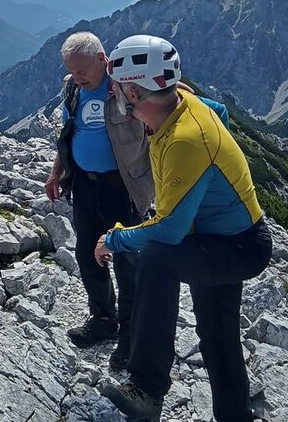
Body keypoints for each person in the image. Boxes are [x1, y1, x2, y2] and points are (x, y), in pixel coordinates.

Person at [97, 35, 272, 422]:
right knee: (218, 337)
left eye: (118, 86)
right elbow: (220, 111)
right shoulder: (184, 105)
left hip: (232, 247)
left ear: (133, 92)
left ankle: (146, 388)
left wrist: (114, 238)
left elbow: (168, 232)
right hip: (231, 240)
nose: (114, 93)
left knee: (157, 257)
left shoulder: (185, 140)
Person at [43, 31, 153, 371]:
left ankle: (132, 334)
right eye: (71, 70)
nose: (77, 76)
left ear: (103, 60)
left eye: (82, 70)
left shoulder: (127, 86)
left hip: (122, 187)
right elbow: (69, 133)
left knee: (126, 259)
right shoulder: (73, 89)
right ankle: (103, 318)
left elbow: (173, 99)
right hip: (85, 185)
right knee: (88, 253)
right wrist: (56, 173)